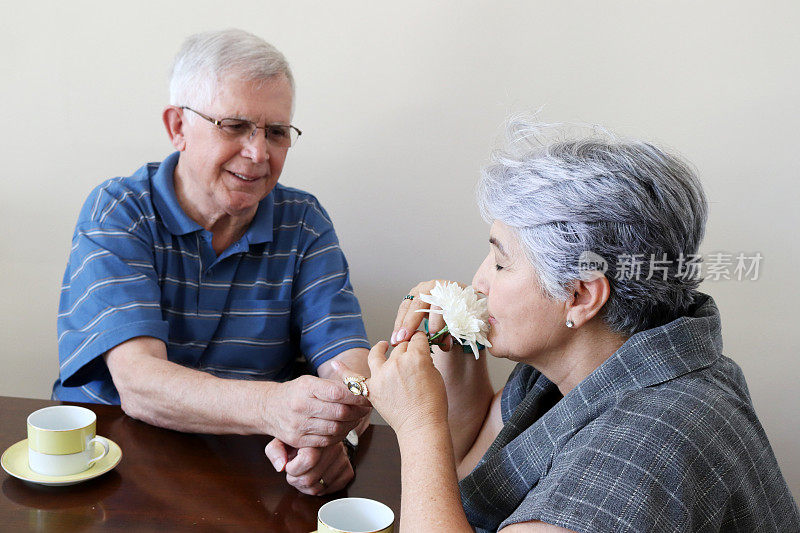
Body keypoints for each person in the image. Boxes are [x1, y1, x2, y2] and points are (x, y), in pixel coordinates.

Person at [331, 120, 800, 531]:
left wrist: (415, 424)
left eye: (500, 262)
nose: (478, 280)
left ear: (579, 296)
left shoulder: (648, 439)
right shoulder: (579, 360)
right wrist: (459, 348)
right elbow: (466, 467)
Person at [54, 29, 371, 495]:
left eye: (277, 132)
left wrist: (333, 432)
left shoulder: (303, 222)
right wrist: (273, 407)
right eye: (235, 125)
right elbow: (140, 383)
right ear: (178, 127)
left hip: (248, 474)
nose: (259, 153)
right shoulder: (119, 211)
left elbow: (350, 364)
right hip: (112, 470)